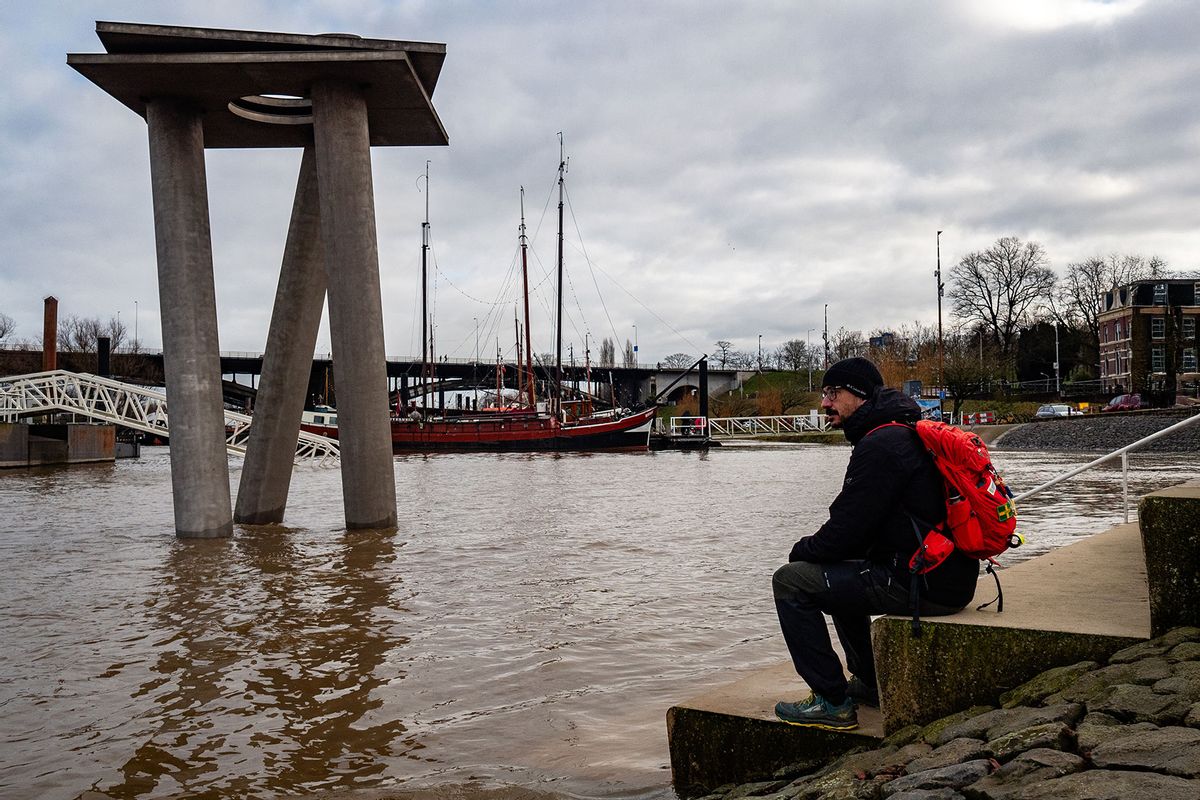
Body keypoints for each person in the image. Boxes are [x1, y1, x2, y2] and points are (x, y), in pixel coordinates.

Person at [772, 357, 978, 731]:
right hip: (947, 574)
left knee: (792, 580)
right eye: (824, 394)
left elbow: (845, 530)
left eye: (833, 393)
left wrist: (799, 552)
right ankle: (868, 684)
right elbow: (859, 528)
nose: (825, 404)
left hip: (924, 582)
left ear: (860, 395)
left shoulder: (882, 444)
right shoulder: (903, 430)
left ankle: (831, 702)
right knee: (834, 573)